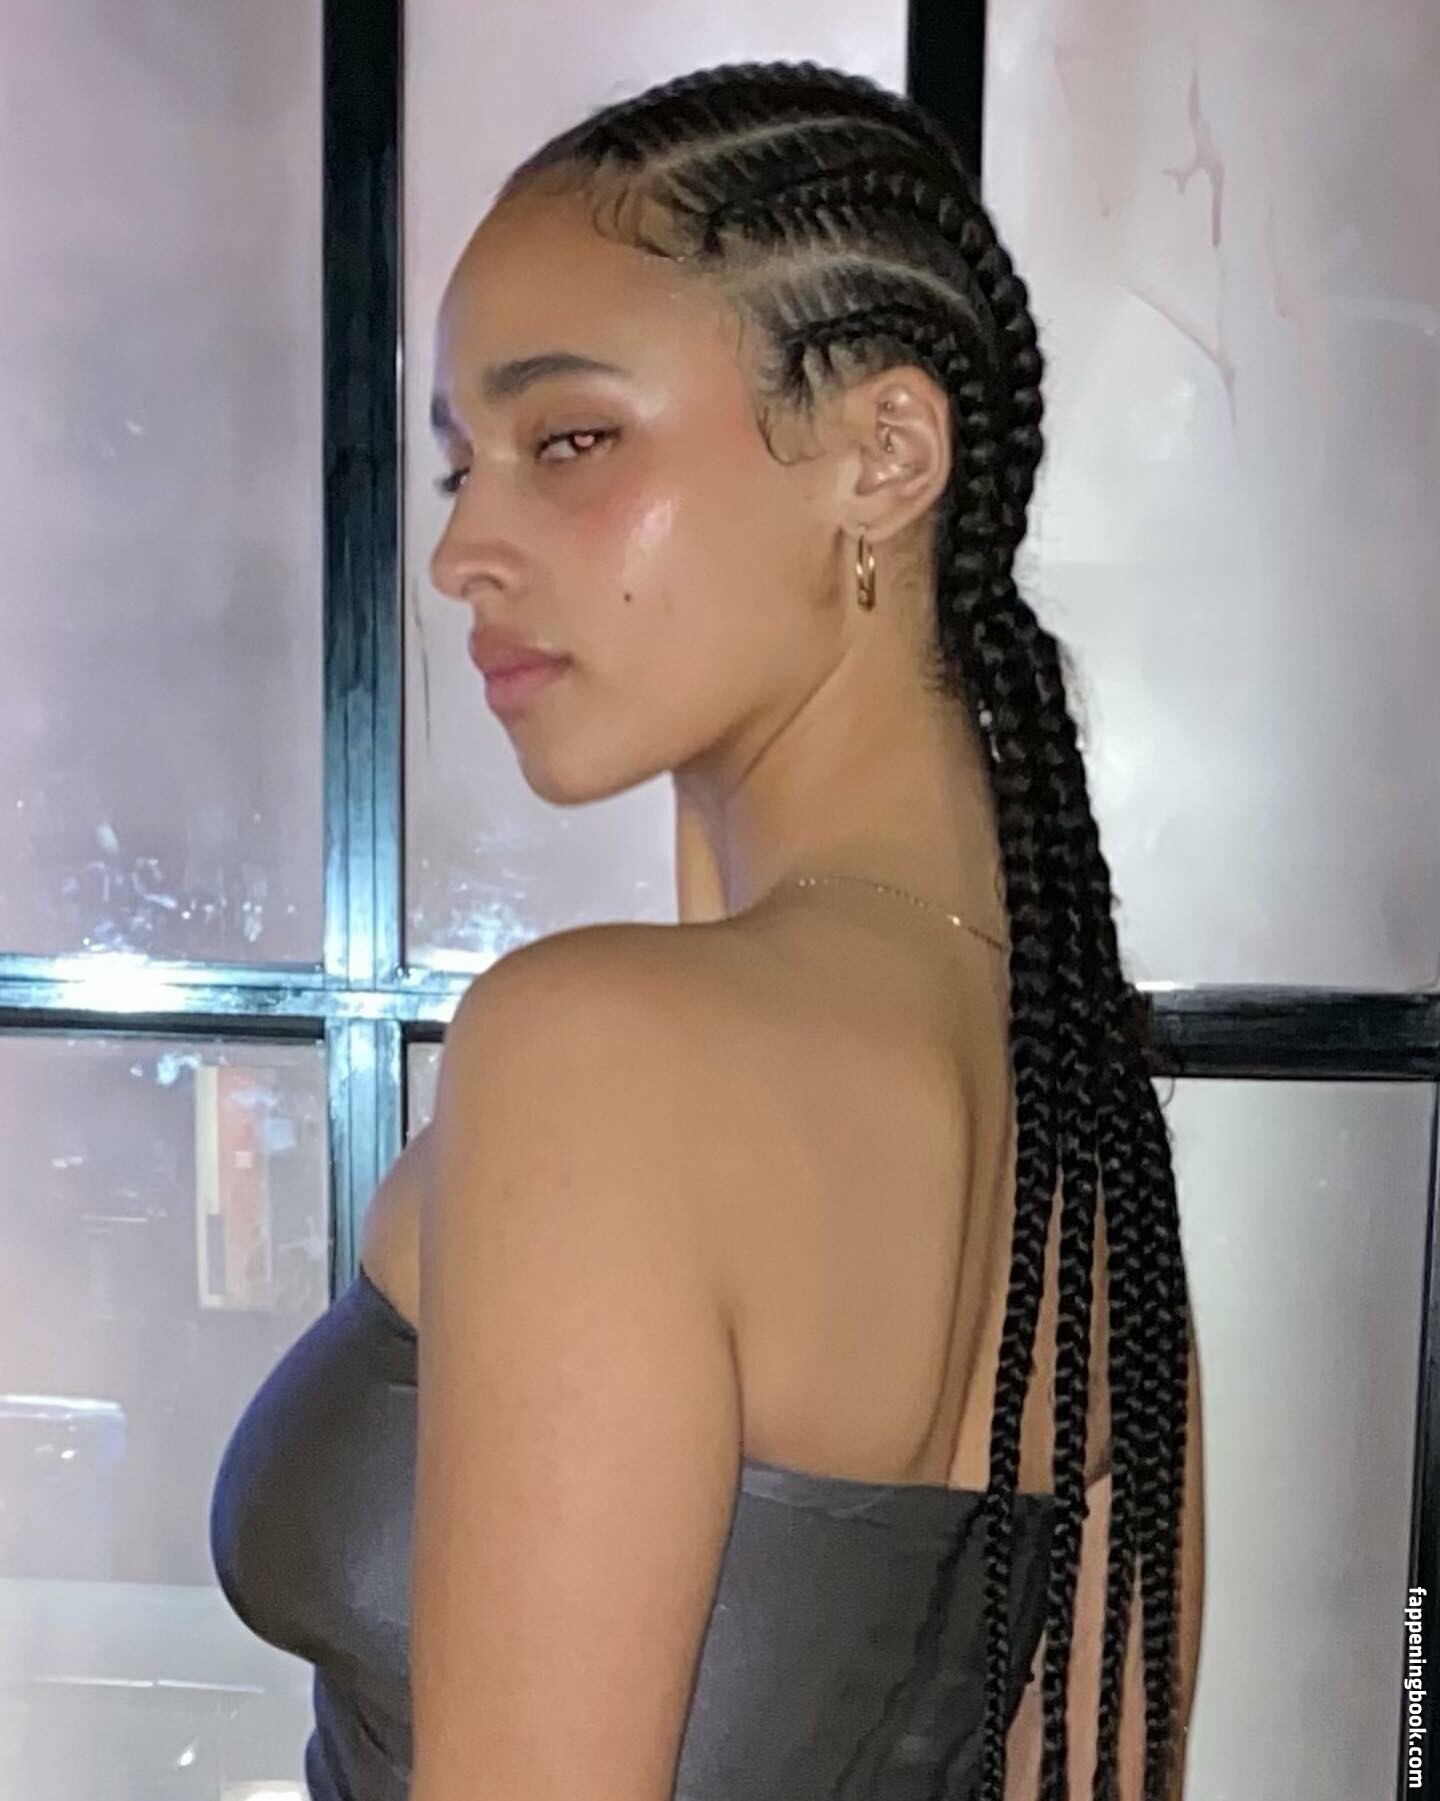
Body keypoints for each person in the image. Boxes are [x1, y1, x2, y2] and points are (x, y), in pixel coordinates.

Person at [210, 58, 1205, 1801]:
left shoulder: (606, 1057)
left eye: (568, 441)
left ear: (884, 454)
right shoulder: (1076, 1119)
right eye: (459, 466)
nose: (462, 551)